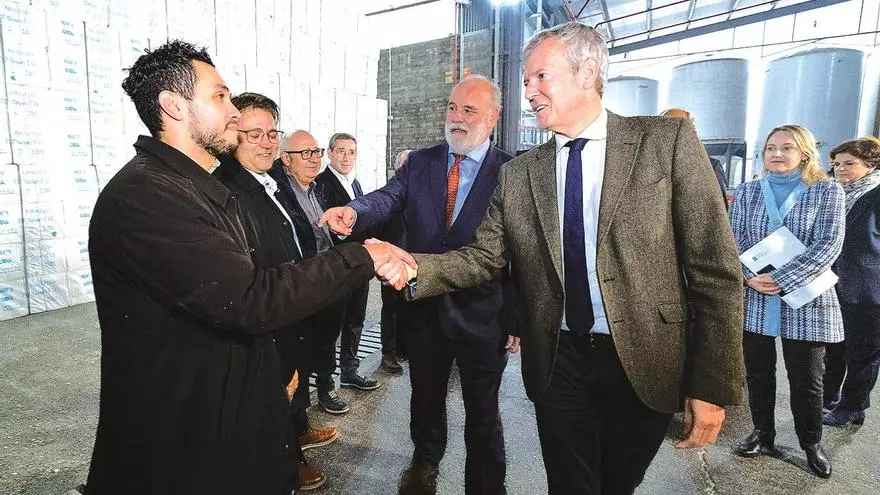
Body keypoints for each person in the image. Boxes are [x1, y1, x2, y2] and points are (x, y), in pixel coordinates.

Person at [328, 24, 745, 494]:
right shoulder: (523, 171)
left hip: (644, 356)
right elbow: (484, 256)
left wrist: (711, 382)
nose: (529, 91)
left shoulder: (666, 143)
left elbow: (714, 271)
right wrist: (414, 266)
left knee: (617, 483)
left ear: (587, 73)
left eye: (541, 77)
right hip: (558, 358)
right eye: (526, 81)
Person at [85, 40, 413, 495]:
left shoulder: (189, 188)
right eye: (220, 97)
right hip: (182, 444)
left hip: (220, 418)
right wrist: (362, 256)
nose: (234, 114)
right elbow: (247, 298)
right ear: (173, 106)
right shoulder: (147, 196)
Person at [320, 74, 518, 495]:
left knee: (483, 411)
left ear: (493, 117)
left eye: (469, 110)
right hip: (424, 309)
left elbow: (522, 252)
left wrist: (518, 317)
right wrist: (354, 211)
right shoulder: (422, 162)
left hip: (485, 315)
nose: (457, 118)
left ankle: (485, 484)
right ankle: (425, 461)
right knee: (425, 398)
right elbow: (387, 197)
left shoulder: (512, 172)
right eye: (452, 107)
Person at [212, 92, 336, 491]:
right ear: (232, 133)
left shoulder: (269, 183)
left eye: (271, 133)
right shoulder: (229, 191)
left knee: (293, 381)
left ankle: (296, 438)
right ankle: (287, 463)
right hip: (267, 313)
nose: (266, 143)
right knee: (274, 392)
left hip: (289, 306)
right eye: (255, 134)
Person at [729, 124, 845, 479]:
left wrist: (782, 279)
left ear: (805, 153)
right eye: (771, 148)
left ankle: (811, 443)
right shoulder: (748, 191)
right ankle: (762, 433)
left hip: (807, 298)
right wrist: (747, 276)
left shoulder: (827, 190)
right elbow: (732, 238)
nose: (777, 154)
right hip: (756, 297)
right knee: (758, 373)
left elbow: (829, 244)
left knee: (807, 379)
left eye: (787, 147)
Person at [268, 130, 357, 415]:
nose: (314, 159)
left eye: (316, 152)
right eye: (305, 153)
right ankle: (299, 411)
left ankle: (326, 387)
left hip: (330, 276)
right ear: (286, 159)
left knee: (328, 338)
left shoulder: (319, 188)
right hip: (303, 279)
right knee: (301, 344)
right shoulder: (278, 192)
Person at [315, 132, 381, 391]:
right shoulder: (321, 184)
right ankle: (325, 384)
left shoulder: (355, 184)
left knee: (355, 321)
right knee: (331, 327)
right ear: (330, 153)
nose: (346, 157)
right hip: (337, 267)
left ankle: (350, 372)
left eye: (351, 152)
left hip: (359, 265)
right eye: (341, 151)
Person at [822, 137, 880, 428]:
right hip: (832, 283)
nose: (840, 169)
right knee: (833, 347)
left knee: (863, 352)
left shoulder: (876, 194)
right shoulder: (833, 194)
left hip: (868, 287)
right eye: (836, 164)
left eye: (849, 163)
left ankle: (853, 407)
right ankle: (829, 397)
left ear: (871, 165)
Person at [379, 149, 412, 372]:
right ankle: (388, 353)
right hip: (391, 262)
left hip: (416, 261)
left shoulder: (423, 194)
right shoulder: (387, 196)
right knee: (391, 308)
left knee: (412, 307)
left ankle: (405, 347)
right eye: (405, 166)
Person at [660, 108, 728, 203]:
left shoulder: (711, 167)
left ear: (690, 131)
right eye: (665, 125)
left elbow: (720, 208)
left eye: (677, 125)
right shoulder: (648, 165)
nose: (670, 131)